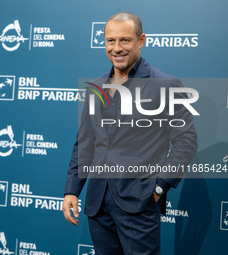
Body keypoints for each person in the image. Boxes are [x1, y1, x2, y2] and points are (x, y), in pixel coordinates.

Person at [62, 12, 198, 255]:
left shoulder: (166, 84)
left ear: (141, 40)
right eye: (110, 41)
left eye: (125, 40)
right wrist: (72, 189)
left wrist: (158, 188)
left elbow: (186, 142)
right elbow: (84, 144)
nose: (117, 48)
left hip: (139, 202)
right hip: (98, 203)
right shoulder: (96, 87)